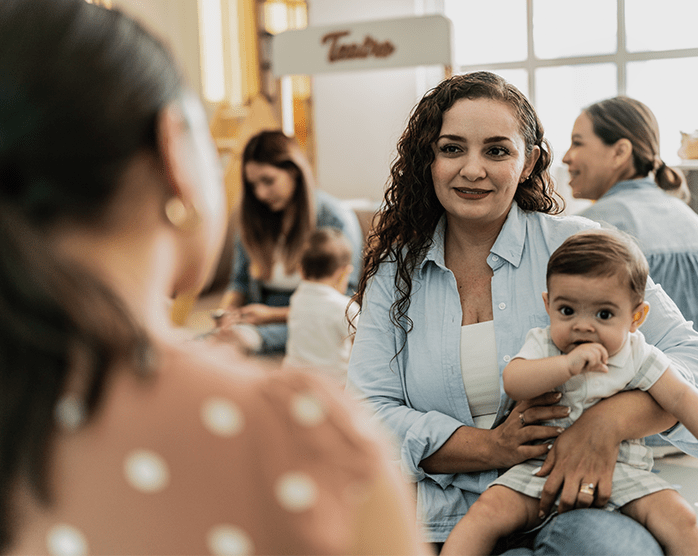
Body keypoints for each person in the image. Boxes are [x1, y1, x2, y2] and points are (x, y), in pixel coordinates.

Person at [0, 1, 428, 554]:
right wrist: (238, 315)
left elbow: (338, 299)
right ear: (174, 148)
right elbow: (245, 289)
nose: (258, 191)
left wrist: (254, 327)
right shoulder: (299, 438)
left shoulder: (327, 218)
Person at [346, 70, 698, 554]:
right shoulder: (396, 272)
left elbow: (697, 365)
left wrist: (606, 423)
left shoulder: (579, 244)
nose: (473, 169)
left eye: (497, 150)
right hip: (441, 517)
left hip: (577, 499)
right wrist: (491, 448)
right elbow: (365, 413)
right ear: (429, 161)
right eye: (452, 148)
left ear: (528, 163)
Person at [442, 229, 698, 556]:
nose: (583, 326)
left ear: (636, 317)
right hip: (539, 469)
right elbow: (514, 380)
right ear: (548, 304)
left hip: (621, 471)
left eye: (604, 314)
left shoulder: (638, 354)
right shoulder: (545, 343)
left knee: (682, 519)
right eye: (567, 311)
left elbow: (683, 398)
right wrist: (564, 366)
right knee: (484, 514)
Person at [563, 96, 698, 440]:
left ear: (620, 152)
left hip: (643, 432)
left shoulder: (594, 226)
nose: (566, 156)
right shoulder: (696, 222)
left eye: (577, 143)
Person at [215, 130, 363, 354]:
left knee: (238, 342)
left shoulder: (334, 219)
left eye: (268, 181)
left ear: (293, 172)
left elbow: (344, 300)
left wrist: (271, 316)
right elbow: (240, 282)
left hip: (314, 317)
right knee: (202, 344)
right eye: (253, 185)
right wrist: (225, 313)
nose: (261, 194)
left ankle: (251, 338)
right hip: (257, 315)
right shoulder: (252, 219)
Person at [283, 227, 360, 385]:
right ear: (344, 272)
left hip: (294, 380)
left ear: (301, 270)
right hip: (332, 385)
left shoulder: (297, 298)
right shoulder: (345, 308)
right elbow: (363, 347)